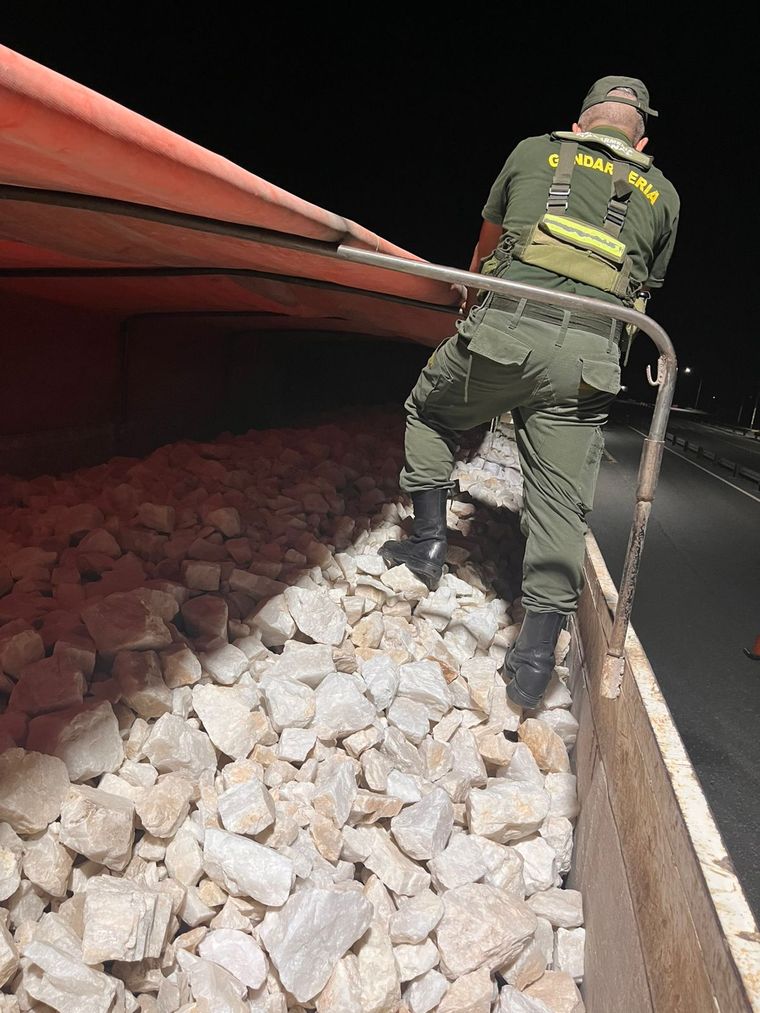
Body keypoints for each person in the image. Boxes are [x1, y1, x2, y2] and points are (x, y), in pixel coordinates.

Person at [380, 76, 680, 708]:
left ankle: (429, 541)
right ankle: (537, 650)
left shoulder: (531, 152)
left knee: (429, 411)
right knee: (559, 501)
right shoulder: (665, 197)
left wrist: (470, 307)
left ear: (577, 126)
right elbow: (642, 289)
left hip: (505, 333)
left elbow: (484, 250)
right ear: (642, 140)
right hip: (588, 363)